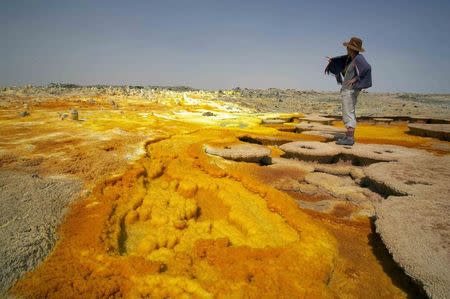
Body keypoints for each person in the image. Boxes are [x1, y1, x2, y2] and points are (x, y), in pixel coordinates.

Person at [325, 37, 372, 145]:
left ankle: (350, 139)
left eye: (349, 47)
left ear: (352, 49)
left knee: (348, 113)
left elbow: (367, 68)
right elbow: (342, 64)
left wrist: (356, 79)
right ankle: (348, 137)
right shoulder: (352, 59)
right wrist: (333, 62)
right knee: (348, 112)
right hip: (347, 90)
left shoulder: (359, 59)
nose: (347, 49)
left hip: (350, 91)